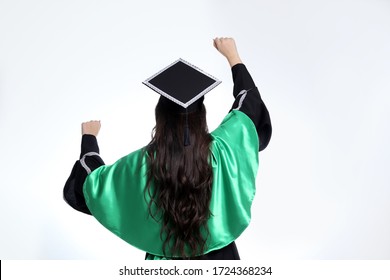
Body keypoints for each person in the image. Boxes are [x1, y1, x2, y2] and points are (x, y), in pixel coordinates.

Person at [63, 37, 272, 260]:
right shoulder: (223, 150)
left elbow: (92, 184)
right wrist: (233, 57)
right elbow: (249, 107)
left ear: (160, 116)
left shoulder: (143, 164)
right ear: (201, 114)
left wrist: (89, 138)